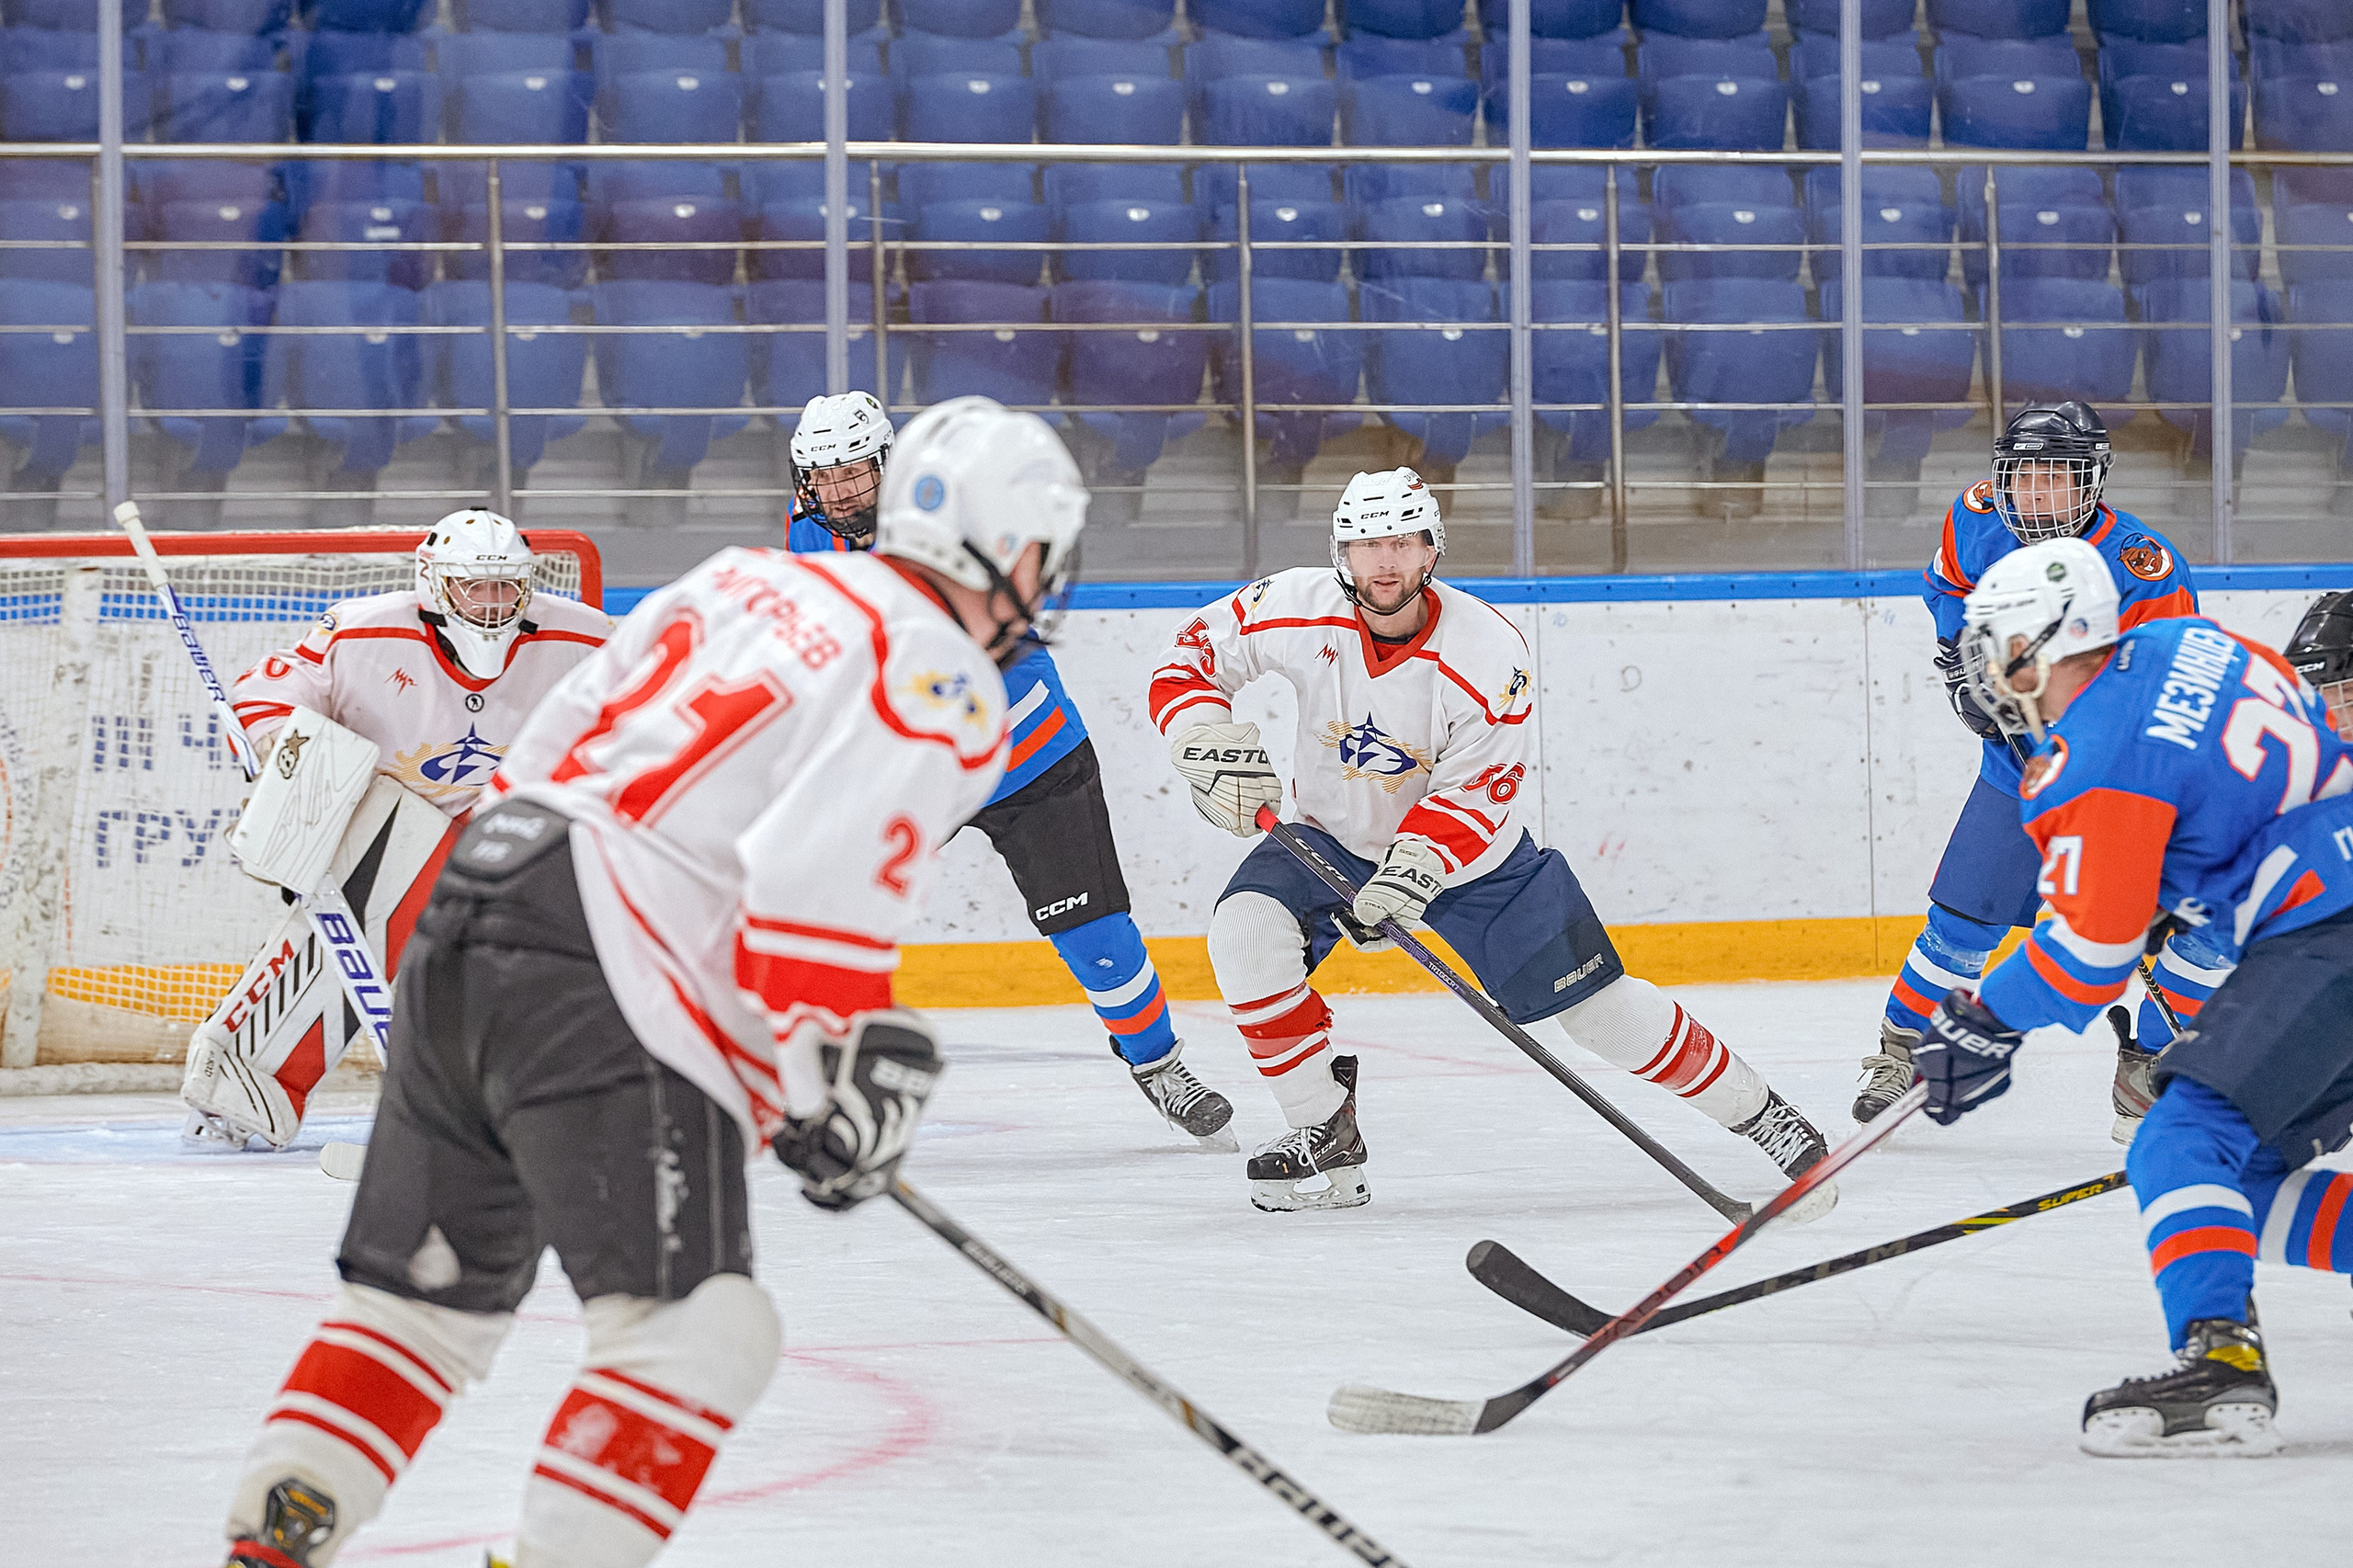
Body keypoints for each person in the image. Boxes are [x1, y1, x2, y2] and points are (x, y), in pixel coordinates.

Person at [214, 397, 1087, 1568]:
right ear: (1014, 549)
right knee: (699, 1330)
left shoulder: (740, 579)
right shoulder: (943, 677)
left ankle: (270, 1544)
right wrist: (823, 1085)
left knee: (417, 1307)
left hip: (466, 913)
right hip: (600, 963)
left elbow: (536, 764)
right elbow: (807, 902)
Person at [1149, 467, 1833, 1211]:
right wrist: (1201, 735)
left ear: (1433, 548)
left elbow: (1476, 790)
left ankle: (1760, 1113)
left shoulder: (1488, 651)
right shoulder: (1295, 604)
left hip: (1476, 862)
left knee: (1601, 1013)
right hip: (1331, 837)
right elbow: (1191, 655)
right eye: (1368, 545)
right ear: (1341, 553)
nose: (1386, 562)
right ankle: (1322, 1127)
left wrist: (1414, 869)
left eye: (1404, 542)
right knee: (1245, 934)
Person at [1913, 544, 2353, 1458]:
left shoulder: (2095, 755)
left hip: (2327, 929)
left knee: (2178, 1140)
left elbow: (2089, 955)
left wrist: (1983, 1020)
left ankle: (2220, 1362)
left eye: (1996, 649)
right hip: (2327, 903)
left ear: (2040, 644)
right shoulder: (2189, 644)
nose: (1990, 673)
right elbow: (2301, 752)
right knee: (2237, 1175)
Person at [784, 392, 1236, 1149]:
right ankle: (804, 1067)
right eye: (824, 477)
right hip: (916, 769)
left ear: (889, 465)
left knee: (1097, 936)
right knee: (827, 913)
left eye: (854, 473)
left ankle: (1159, 1064)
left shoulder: (952, 517)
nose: (840, 492)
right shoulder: (807, 534)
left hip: (1029, 752)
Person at [182, 511, 611, 1151]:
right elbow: (266, 695)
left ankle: (565, 1094)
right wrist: (279, 752)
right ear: (434, 584)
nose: (493, 603)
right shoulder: (363, 631)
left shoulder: (586, 637)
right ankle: (241, 1090)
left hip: (520, 822)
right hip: (394, 819)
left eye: (506, 586)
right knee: (367, 899)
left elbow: (653, 715)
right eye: (474, 586)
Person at [1854, 401, 2210, 1145]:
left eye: (2056, 477)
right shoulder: (1977, 516)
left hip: (2125, 785)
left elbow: (2171, 684)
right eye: (2024, 477)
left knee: (2190, 926)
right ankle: (1901, 1049)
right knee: (1962, 924)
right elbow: (1949, 587)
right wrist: (1962, 666)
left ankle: (2148, 1071)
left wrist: (2100, 762)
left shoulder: (2144, 567)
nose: (2036, 494)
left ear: (2092, 482)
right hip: (2014, 773)